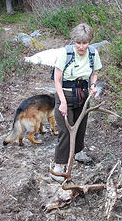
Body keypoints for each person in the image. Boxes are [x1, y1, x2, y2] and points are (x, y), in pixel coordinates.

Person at [51, 23, 102, 182]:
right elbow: (57, 80)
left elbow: (94, 74)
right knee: (65, 130)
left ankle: (78, 152)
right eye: (78, 43)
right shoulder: (64, 54)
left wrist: (93, 86)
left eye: (85, 43)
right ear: (73, 41)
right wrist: (62, 102)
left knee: (80, 127)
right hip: (64, 94)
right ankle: (58, 165)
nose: (81, 46)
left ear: (90, 42)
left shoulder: (93, 53)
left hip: (83, 94)